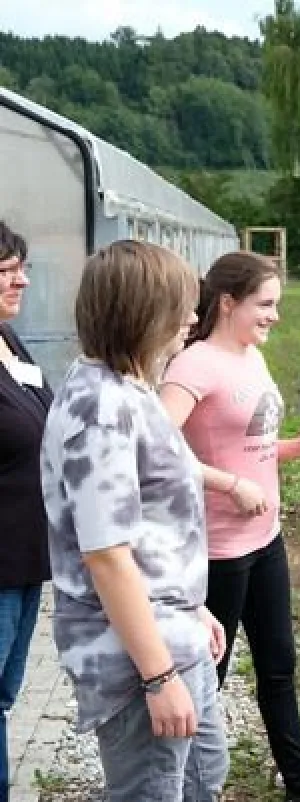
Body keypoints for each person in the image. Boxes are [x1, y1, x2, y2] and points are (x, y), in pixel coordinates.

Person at [159, 251, 300, 802]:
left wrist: (295, 447)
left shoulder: (249, 355)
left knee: (278, 665)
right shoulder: (193, 365)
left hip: (264, 539)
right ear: (227, 303)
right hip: (217, 549)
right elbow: (156, 451)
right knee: (208, 677)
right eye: (265, 304)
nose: (274, 316)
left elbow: (248, 444)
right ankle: (181, 784)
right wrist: (229, 485)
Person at [40, 241, 228, 801]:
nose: (194, 319)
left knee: (202, 777)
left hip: (171, 630)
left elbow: (147, 526)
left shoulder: (127, 388)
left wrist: (192, 604)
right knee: (151, 790)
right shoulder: (102, 409)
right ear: (143, 313)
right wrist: (159, 676)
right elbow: (106, 556)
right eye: (182, 306)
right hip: (137, 655)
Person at [0, 222, 53, 802]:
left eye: (22, 267)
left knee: (4, 697)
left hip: (24, 560)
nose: (24, 280)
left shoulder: (11, 342)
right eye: (8, 271)